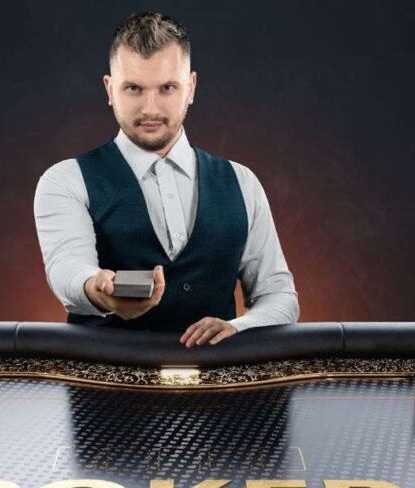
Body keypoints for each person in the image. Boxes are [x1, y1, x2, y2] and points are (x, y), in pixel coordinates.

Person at [34, 11, 298, 347]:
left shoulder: (242, 182)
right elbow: (67, 269)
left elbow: (280, 297)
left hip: (221, 394)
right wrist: (97, 289)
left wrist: (242, 327)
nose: (150, 109)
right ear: (110, 89)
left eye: (167, 88)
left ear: (191, 88)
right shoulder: (65, 181)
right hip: (101, 391)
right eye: (133, 88)